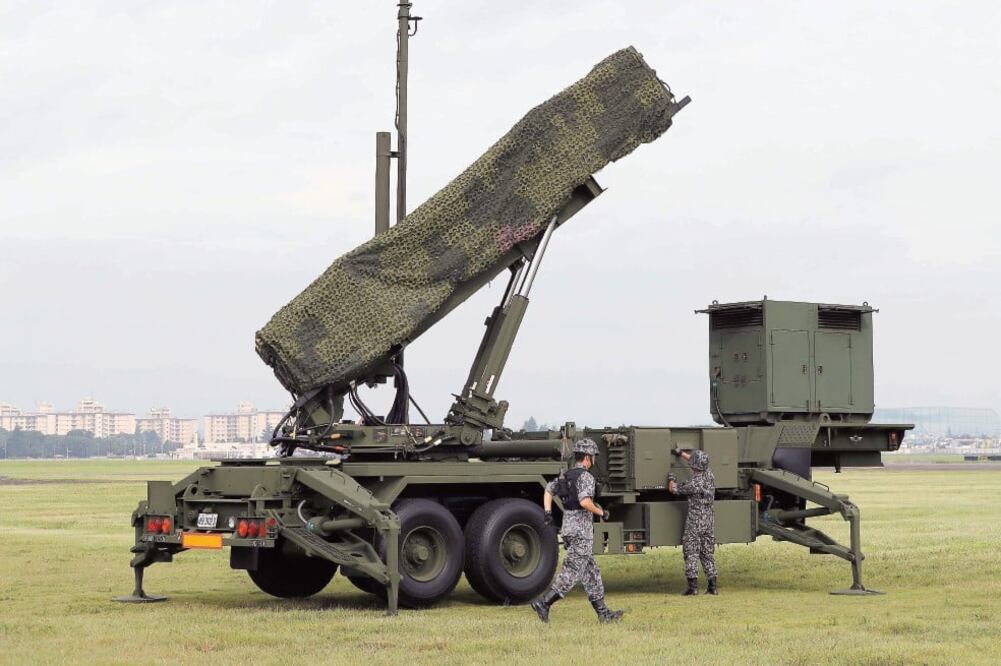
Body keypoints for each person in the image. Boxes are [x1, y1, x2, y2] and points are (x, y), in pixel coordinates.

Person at [530, 438, 624, 623]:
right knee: (571, 571)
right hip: (581, 531)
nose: (595, 459)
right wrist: (601, 512)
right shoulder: (586, 477)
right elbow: (585, 502)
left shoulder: (566, 476)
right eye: (594, 456)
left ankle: (603, 614)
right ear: (588, 457)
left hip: (569, 526)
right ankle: (544, 603)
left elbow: (549, 490)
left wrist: (548, 511)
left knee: (591, 572)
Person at [669, 448, 718, 595]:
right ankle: (712, 587)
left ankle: (692, 587)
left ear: (693, 466)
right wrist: (681, 454)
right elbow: (697, 461)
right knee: (707, 553)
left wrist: (671, 478)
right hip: (708, 520)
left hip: (695, 522)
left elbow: (674, 490)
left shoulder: (693, 484)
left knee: (691, 552)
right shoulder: (710, 475)